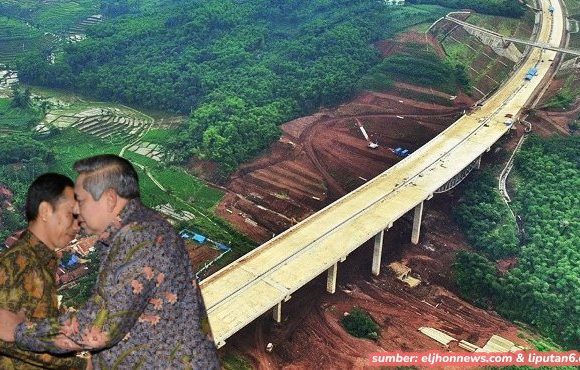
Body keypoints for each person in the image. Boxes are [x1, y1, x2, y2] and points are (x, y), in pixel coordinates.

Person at [0, 154, 220, 369]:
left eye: (81, 201)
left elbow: (97, 330)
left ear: (109, 199)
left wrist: (19, 330)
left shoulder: (140, 239)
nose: (76, 210)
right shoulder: (129, 234)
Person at [0, 173, 87, 369]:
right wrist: (78, 365)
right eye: (71, 215)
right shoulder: (20, 263)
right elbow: (7, 337)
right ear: (46, 212)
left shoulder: (44, 262)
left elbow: (34, 329)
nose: (77, 225)